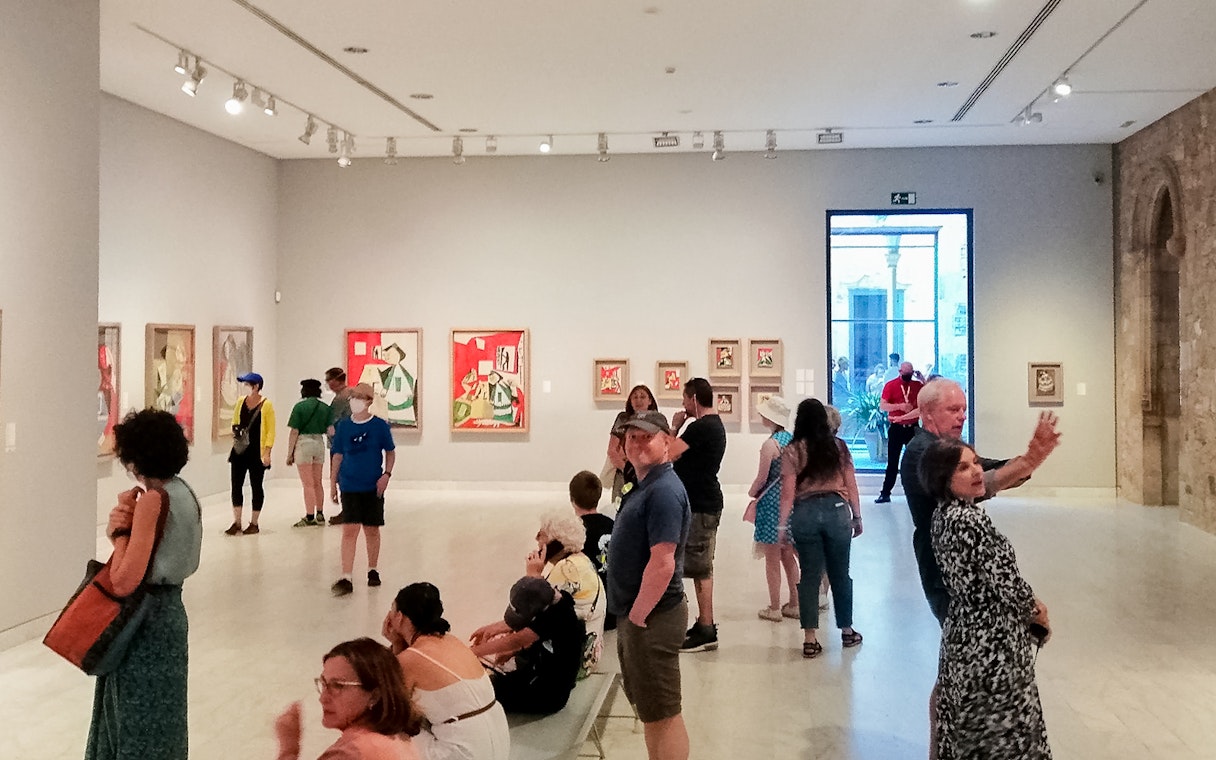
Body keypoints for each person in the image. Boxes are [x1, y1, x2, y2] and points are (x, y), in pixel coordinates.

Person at [918, 438, 1053, 758]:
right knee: (1001, 727)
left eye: (976, 463)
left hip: (963, 631)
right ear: (943, 477)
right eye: (963, 467)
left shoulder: (943, 515)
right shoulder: (971, 521)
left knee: (968, 720)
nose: (977, 471)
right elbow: (1006, 580)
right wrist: (1036, 609)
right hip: (991, 641)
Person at [87, 409, 202, 760]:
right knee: (165, 717)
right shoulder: (186, 492)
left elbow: (123, 580)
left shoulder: (153, 500)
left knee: (136, 719)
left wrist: (119, 531)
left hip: (144, 619)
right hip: (170, 613)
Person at [899, 378, 1061, 625]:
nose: (962, 416)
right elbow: (981, 482)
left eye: (964, 409)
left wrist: (1027, 462)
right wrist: (1028, 461)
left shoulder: (946, 448)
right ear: (927, 414)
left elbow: (991, 469)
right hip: (944, 573)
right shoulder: (922, 451)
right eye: (953, 410)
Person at [607, 410, 691, 760]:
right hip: (640, 616)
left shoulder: (663, 492)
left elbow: (662, 562)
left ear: (667, 442)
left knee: (664, 713)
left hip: (652, 618)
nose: (639, 443)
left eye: (647, 437)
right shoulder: (647, 485)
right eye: (632, 438)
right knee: (652, 712)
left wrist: (639, 615)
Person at [382, 583, 510, 760]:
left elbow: (388, 703)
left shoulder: (411, 657)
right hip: (498, 737)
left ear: (400, 617)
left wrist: (396, 644)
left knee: (385, 728)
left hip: (465, 750)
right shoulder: (452, 641)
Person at [778, 398, 863, 659]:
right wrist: (857, 517)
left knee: (810, 576)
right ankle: (847, 631)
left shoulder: (792, 451)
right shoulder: (839, 447)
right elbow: (851, 485)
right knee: (840, 574)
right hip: (838, 511)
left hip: (805, 513)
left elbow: (787, 494)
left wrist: (782, 525)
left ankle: (810, 638)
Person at [274, 638, 423, 760]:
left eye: (337, 686)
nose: (323, 698)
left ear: (374, 696)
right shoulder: (399, 737)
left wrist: (289, 748)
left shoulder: (349, 754)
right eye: (324, 684)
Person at [469, 576, 584, 716]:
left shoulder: (556, 617)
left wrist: (471, 652)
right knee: (488, 683)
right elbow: (525, 637)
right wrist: (511, 650)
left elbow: (516, 640)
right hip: (539, 667)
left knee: (482, 694)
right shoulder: (554, 600)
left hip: (549, 696)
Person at [669, 377, 726, 653]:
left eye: (684, 397)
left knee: (700, 567)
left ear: (693, 398)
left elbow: (669, 453)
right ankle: (704, 623)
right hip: (702, 502)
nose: (682, 403)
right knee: (699, 564)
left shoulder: (701, 427)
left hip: (701, 505)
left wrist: (675, 426)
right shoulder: (711, 426)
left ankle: (706, 627)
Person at [329, 383, 396, 596]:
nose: (354, 400)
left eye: (359, 397)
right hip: (349, 484)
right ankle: (346, 575)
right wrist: (332, 483)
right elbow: (337, 455)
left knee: (371, 529)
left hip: (372, 485)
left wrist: (386, 475)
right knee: (349, 530)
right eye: (353, 396)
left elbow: (390, 452)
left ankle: (372, 569)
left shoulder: (379, 426)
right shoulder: (344, 427)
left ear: (368, 400)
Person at [526, 510, 606, 676]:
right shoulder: (581, 560)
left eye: (541, 535)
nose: (536, 539)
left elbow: (531, 615)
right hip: (588, 657)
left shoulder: (565, 569)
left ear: (556, 542)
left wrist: (532, 576)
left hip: (569, 665)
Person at [747, 395, 800, 622]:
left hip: (770, 504)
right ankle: (796, 603)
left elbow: (762, 477)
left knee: (772, 557)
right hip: (790, 502)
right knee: (788, 555)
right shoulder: (792, 441)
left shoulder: (770, 444)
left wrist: (752, 492)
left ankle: (775, 607)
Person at [225, 371, 275, 535]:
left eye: (247, 384)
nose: (245, 387)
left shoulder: (266, 405)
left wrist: (267, 452)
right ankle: (237, 521)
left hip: (256, 452)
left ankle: (254, 522)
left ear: (256, 386)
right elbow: (235, 421)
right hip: (240, 450)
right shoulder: (240, 402)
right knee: (236, 485)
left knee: (256, 486)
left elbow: (270, 431)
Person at [569, 470, 615, 630]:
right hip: (613, 611)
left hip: (588, 611)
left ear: (572, 500)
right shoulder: (613, 525)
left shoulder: (573, 534)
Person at [875, 362, 925, 504]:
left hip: (913, 428)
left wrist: (922, 379)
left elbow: (930, 396)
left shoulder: (917, 386)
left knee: (917, 461)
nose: (907, 377)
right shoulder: (891, 385)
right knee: (892, 462)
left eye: (910, 374)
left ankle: (920, 493)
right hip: (896, 428)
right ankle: (885, 493)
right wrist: (900, 406)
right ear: (900, 371)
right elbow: (883, 405)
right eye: (905, 374)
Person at [287, 378, 332, 527]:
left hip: (303, 443)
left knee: (308, 484)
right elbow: (329, 429)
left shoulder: (300, 407)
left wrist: (290, 453)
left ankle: (309, 516)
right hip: (319, 443)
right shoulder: (325, 407)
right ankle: (320, 513)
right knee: (318, 482)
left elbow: (294, 431)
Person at [607, 384, 659, 502]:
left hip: (649, 473)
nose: (638, 400)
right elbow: (612, 450)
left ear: (650, 400)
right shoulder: (623, 418)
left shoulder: (657, 420)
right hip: (624, 473)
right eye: (635, 397)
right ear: (630, 401)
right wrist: (628, 471)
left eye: (642, 397)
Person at [326, 367, 354, 525]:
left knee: (342, 477)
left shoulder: (340, 399)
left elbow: (332, 421)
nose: (328, 384)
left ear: (336, 380)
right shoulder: (352, 393)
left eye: (329, 380)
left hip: (340, 443)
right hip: (354, 442)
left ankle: (347, 511)